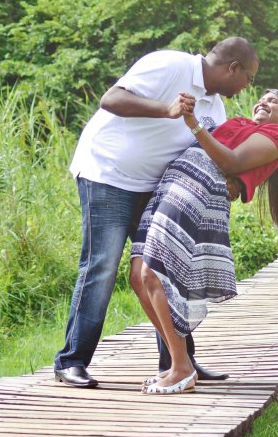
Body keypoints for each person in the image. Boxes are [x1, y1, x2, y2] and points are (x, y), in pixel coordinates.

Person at [54, 38, 258, 388]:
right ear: (233, 68)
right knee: (101, 266)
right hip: (107, 174)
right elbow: (111, 99)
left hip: (154, 186)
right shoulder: (170, 65)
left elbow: (211, 155)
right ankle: (71, 361)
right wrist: (166, 109)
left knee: (163, 268)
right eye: (248, 77)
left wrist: (238, 184)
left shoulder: (216, 108)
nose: (247, 86)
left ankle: (181, 362)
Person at [132, 89, 278, 394]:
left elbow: (231, 162)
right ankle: (179, 362)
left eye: (274, 101)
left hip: (197, 190)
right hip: (174, 183)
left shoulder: (277, 136)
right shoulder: (239, 123)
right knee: (137, 275)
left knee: (155, 273)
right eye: (262, 98)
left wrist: (193, 122)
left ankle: (181, 368)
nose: (264, 102)